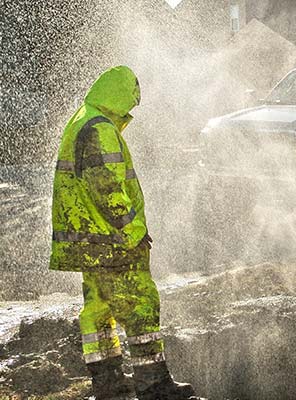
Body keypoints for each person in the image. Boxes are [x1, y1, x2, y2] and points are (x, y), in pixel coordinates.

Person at [50, 66, 197, 399]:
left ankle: (109, 384)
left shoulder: (81, 120)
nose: (132, 107)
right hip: (113, 240)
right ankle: (154, 384)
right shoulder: (100, 128)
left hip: (90, 240)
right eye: (131, 98)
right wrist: (133, 231)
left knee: (99, 310)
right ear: (118, 93)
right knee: (141, 303)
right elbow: (107, 187)